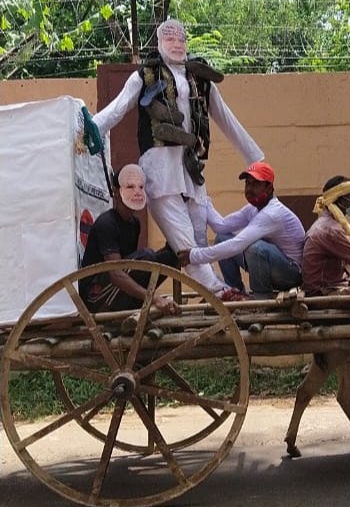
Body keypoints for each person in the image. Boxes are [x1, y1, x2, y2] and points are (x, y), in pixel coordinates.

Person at [92, 18, 264, 296]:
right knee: (183, 238)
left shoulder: (201, 78)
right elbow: (118, 107)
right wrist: (90, 129)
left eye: (181, 39)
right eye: (170, 39)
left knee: (199, 235)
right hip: (160, 169)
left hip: (191, 167)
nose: (177, 44)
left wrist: (254, 157)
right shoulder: (146, 75)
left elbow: (226, 119)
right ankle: (218, 292)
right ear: (159, 44)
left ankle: (219, 290)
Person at [178, 162, 305, 299]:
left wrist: (194, 256)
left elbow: (237, 245)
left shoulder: (271, 214)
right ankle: (235, 292)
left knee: (256, 249)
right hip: (272, 267)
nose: (249, 188)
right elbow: (221, 225)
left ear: (269, 188)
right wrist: (202, 198)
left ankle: (261, 299)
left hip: (291, 275)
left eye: (255, 184)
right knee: (222, 237)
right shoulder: (254, 209)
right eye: (247, 183)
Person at [79, 164, 181, 315]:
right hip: (96, 296)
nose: (136, 192)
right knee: (146, 256)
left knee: (171, 255)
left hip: (117, 289)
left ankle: (134, 304)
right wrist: (154, 299)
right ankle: (126, 308)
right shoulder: (107, 223)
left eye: (140, 187)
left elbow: (135, 269)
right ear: (116, 193)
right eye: (130, 187)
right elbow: (116, 274)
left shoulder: (134, 223)